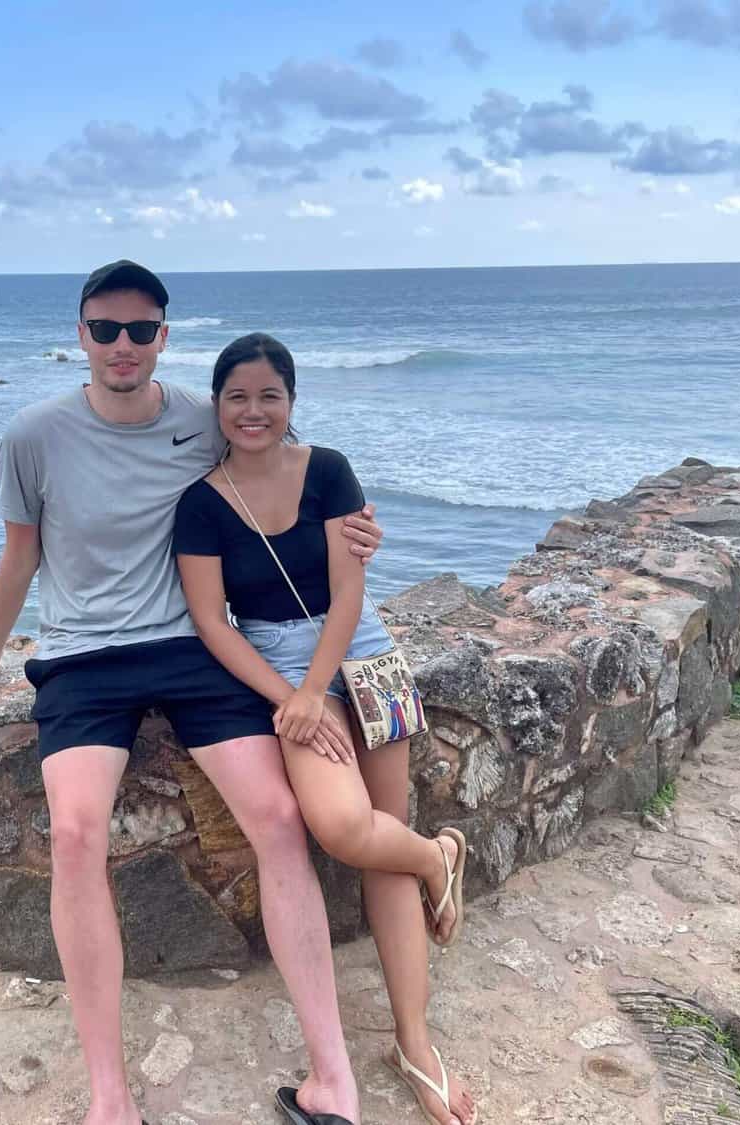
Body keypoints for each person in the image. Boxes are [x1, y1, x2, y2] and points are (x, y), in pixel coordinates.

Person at [0, 262, 383, 1125]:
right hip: (84, 657)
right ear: (81, 336)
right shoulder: (33, 434)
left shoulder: (201, 423)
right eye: (106, 329)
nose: (123, 345)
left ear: (164, 336)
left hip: (190, 644)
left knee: (282, 822)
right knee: (74, 831)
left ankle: (334, 1082)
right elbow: (20, 555)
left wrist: (357, 524)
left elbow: (276, 470)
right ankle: (111, 1100)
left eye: (141, 329)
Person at [173, 332, 478, 1125]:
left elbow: (349, 593)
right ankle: (438, 856)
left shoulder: (331, 470)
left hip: (364, 652)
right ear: (217, 404)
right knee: (346, 825)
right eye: (236, 396)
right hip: (276, 662)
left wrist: (317, 688)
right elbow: (213, 623)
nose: (253, 410)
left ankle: (414, 1041)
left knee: (384, 843)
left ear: (292, 401)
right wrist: (293, 697)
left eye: (269, 395)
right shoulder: (202, 503)